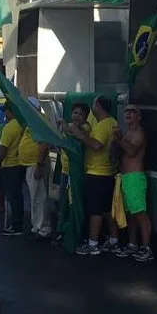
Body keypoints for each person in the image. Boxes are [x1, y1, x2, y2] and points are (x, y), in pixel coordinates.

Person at [70, 96, 119, 255]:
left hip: (96, 174)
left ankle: (92, 244)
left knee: (95, 211)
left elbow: (96, 145)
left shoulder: (102, 125)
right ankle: (113, 241)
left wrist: (81, 137)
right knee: (108, 210)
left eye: (93, 105)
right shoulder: (113, 122)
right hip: (108, 173)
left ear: (98, 106)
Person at [115, 105, 152, 261]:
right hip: (126, 178)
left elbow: (131, 151)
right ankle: (132, 245)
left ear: (139, 116)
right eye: (126, 111)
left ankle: (146, 248)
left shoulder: (139, 132)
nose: (128, 113)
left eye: (133, 111)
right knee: (131, 215)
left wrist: (119, 139)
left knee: (140, 213)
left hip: (136, 178)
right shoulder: (127, 133)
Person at [53, 103, 90, 246]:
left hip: (77, 172)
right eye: (75, 113)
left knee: (75, 203)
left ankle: (75, 232)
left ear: (85, 118)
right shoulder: (68, 125)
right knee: (63, 203)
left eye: (80, 114)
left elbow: (74, 133)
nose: (77, 116)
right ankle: (62, 231)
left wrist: (64, 125)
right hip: (65, 171)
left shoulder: (85, 128)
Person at [19, 97, 52, 242]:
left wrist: (39, 164)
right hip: (32, 164)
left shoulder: (39, 120)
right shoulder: (33, 120)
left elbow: (44, 144)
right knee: (35, 197)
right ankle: (36, 226)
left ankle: (43, 228)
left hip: (37, 164)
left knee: (39, 197)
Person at [0, 105, 26, 236]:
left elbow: (3, 148)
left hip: (10, 165)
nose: (5, 113)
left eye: (6, 110)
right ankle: (18, 222)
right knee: (18, 195)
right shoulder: (22, 125)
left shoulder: (8, 127)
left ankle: (16, 225)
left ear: (11, 111)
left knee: (12, 196)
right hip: (21, 164)